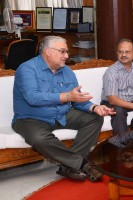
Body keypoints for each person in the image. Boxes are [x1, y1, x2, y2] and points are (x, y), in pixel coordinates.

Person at [12, 35, 115, 182]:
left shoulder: (66, 71)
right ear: (48, 51)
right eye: (62, 51)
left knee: (95, 118)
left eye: (67, 52)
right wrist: (67, 97)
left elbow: (77, 99)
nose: (66, 56)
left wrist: (94, 107)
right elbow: (32, 98)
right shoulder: (27, 69)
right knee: (39, 138)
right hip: (31, 119)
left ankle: (68, 166)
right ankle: (82, 164)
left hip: (62, 113)